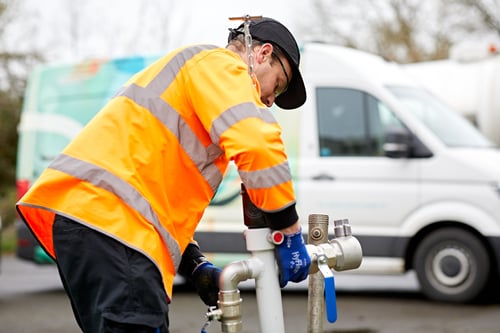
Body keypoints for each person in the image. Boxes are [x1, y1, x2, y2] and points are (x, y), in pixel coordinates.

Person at [16, 16, 310, 332]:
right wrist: (288, 230)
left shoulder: (194, 77)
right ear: (262, 53)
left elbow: (150, 191)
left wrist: (193, 263)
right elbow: (257, 145)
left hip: (102, 224)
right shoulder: (221, 65)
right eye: (276, 86)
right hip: (114, 227)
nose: (269, 100)